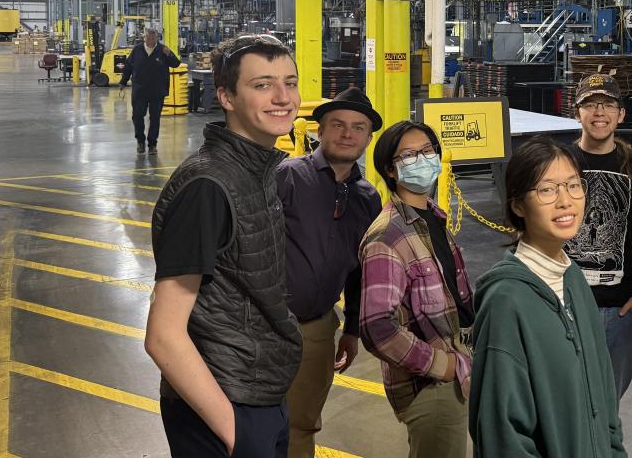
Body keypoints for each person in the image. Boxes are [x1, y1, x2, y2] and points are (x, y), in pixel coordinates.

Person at [145, 33, 303, 457]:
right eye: (262, 84)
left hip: (259, 391)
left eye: (290, 82)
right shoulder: (208, 187)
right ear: (226, 97)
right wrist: (237, 434)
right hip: (224, 404)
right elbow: (163, 335)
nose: (282, 97)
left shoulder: (255, 170)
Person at [469, 136, 626, 458]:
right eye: (547, 190)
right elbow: (502, 435)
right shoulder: (506, 301)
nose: (565, 201)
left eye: (572, 185)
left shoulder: (574, 280)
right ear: (517, 205)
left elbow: (603, 396)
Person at [276, 87, 384, 458]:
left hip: (318, 329)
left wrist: (352, 329)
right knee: (252, 421)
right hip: (266, 326)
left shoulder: (368, 198)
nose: (347, 133)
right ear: (319, 132)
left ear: (368, 139)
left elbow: (361, 271)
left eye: (358, 127)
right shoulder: (287, 178)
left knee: (302, 423)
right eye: (337, 124)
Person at [360, 121, 475, 458]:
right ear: (391, 170)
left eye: (427, 151)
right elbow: (377, 327)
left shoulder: (432, 218)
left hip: (456, 373)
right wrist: (443, 366)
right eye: (408, 155)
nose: (422, 160)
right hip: (431, 388)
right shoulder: (388, 236)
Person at [564, 73, 632, 399]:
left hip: (617, 312)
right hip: (563, 305)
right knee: (561, 405)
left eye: (608, 105)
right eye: (590, 105)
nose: (599, 113)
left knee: (607, 407)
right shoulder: (559, 163)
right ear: (576, 111)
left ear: (621, 114)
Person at [120, 27, 182, 155]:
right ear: (144, 37)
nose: (150, 40)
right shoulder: (137, 50)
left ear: (156, 38)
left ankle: (152, 144)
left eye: (153, 38)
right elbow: (128, 67)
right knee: (137, 116)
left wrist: (169, 54)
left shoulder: (162, 49)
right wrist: (123, 81)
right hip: (140, 90)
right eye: (148, 37)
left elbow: (176, 64)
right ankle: (140, 142)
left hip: (157, 91)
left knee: (155, 118)